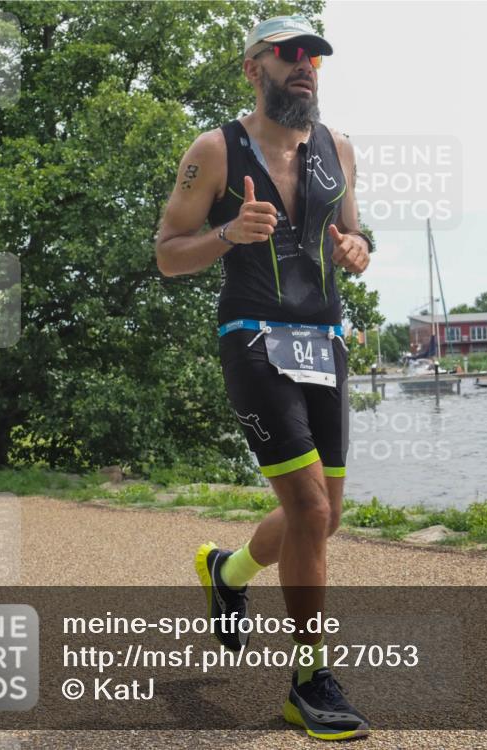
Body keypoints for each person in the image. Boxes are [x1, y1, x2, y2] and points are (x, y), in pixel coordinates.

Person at [154, 14, 371, 741]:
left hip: (326, 341)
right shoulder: (213, 151)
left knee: (325, 517)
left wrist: (356, 249)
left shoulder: (338, 149)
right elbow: (166, 253)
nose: (305, 65)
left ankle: (228, 572)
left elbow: (353, 232)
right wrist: (225, 234)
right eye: (289, 55)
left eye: (314, 55)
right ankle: (309, 681)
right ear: (255, 68)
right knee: (310, 511)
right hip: (252, 339)